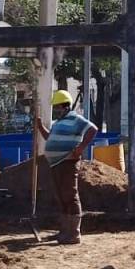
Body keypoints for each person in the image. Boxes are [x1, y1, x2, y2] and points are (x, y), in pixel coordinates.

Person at [37, 90, 98, 245]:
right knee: (60, 196)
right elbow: (49, 138)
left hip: (68, 162)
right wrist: (39, 126)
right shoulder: (57, 123)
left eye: (58, 107)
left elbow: (93, 129)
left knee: (70, 195)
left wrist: (80, 148)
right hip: (56, 164)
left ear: (65, 106)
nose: (56, 110)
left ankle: (74, 233)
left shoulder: (75, 119)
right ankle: (65, 230)